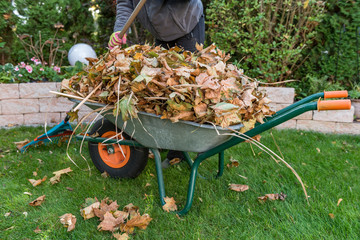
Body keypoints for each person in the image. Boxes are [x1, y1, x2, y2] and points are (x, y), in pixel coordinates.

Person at [109, 0, 205, 168]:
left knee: (186, 90)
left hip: (186, 25)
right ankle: (169, 143)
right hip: (161, 33)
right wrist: (119, 30)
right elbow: (125, 3)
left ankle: (181, 152)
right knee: (164, 90)